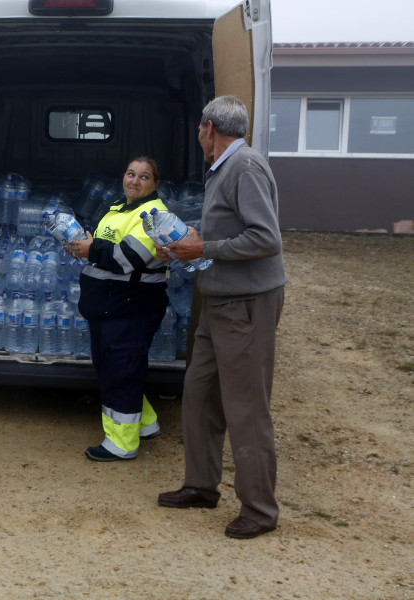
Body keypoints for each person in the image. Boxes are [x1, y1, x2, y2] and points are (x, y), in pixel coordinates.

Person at [156, 95, 286, 539]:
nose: (198, 136)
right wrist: (186, 241)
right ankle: (201, 486)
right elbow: (229, 230)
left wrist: (204, 248)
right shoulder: (223, 167)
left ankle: (260, 509)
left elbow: (265, 239)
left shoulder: (245, 166)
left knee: (246, 407)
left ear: (210, 128)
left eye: (199, 129)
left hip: (246, 303)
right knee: (199, 394)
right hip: (217, 300)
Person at [68, 157, 170, 461]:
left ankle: (122, 444)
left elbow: (132, 256)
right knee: (113, 367)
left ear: (155, 184)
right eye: (130, 174)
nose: (134, 181)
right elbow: (104, 248)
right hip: (110, 305)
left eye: (144, 177)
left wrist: (92, 249)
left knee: (121, 371)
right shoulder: (118, 209)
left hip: (130, 306)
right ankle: (146, 424)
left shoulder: (155, 214)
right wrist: (84, 243)